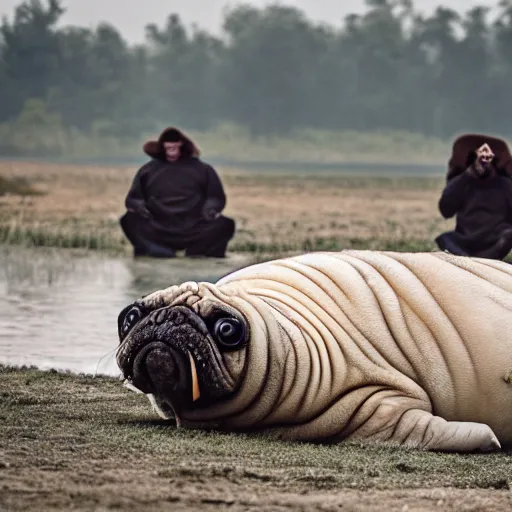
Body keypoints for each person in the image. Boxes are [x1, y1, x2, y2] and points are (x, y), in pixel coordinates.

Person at [120, 127, 235, 258]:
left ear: (182, 145)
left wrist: (210, 210)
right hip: (158, 227)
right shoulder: (148, 170)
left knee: (224, 224)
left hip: (194, 226)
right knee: (130, 220)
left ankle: (198, 252)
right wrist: (140, 207)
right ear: (162, 146)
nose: (171, 148)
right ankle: (157, 250)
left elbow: (215, 197)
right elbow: (134, 198)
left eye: (174, 144)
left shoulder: (203, 170)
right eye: (168, 145)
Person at [435, 133, 512, 260]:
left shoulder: (505, 185)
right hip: (465, 241)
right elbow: (446, 210)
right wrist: (467, 176)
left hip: (496, 240)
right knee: (446, 240)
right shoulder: (462, 182)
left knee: (508, 235)